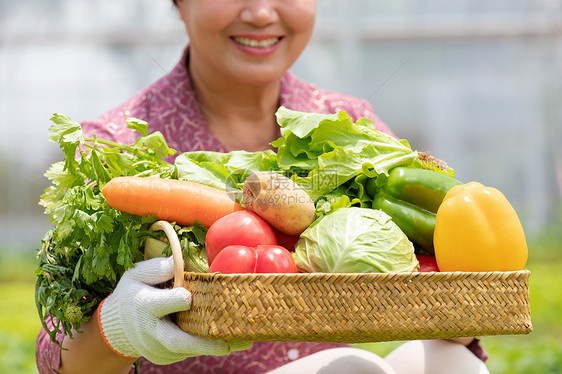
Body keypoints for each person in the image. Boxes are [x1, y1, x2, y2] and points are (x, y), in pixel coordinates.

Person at [36, 1, 490, 373]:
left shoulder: (350, 127)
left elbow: (442, 294)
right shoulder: (116, 151)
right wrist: (116, 327)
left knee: (455, 365)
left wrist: (453, 301)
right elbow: (54, 352)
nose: (260, 12)